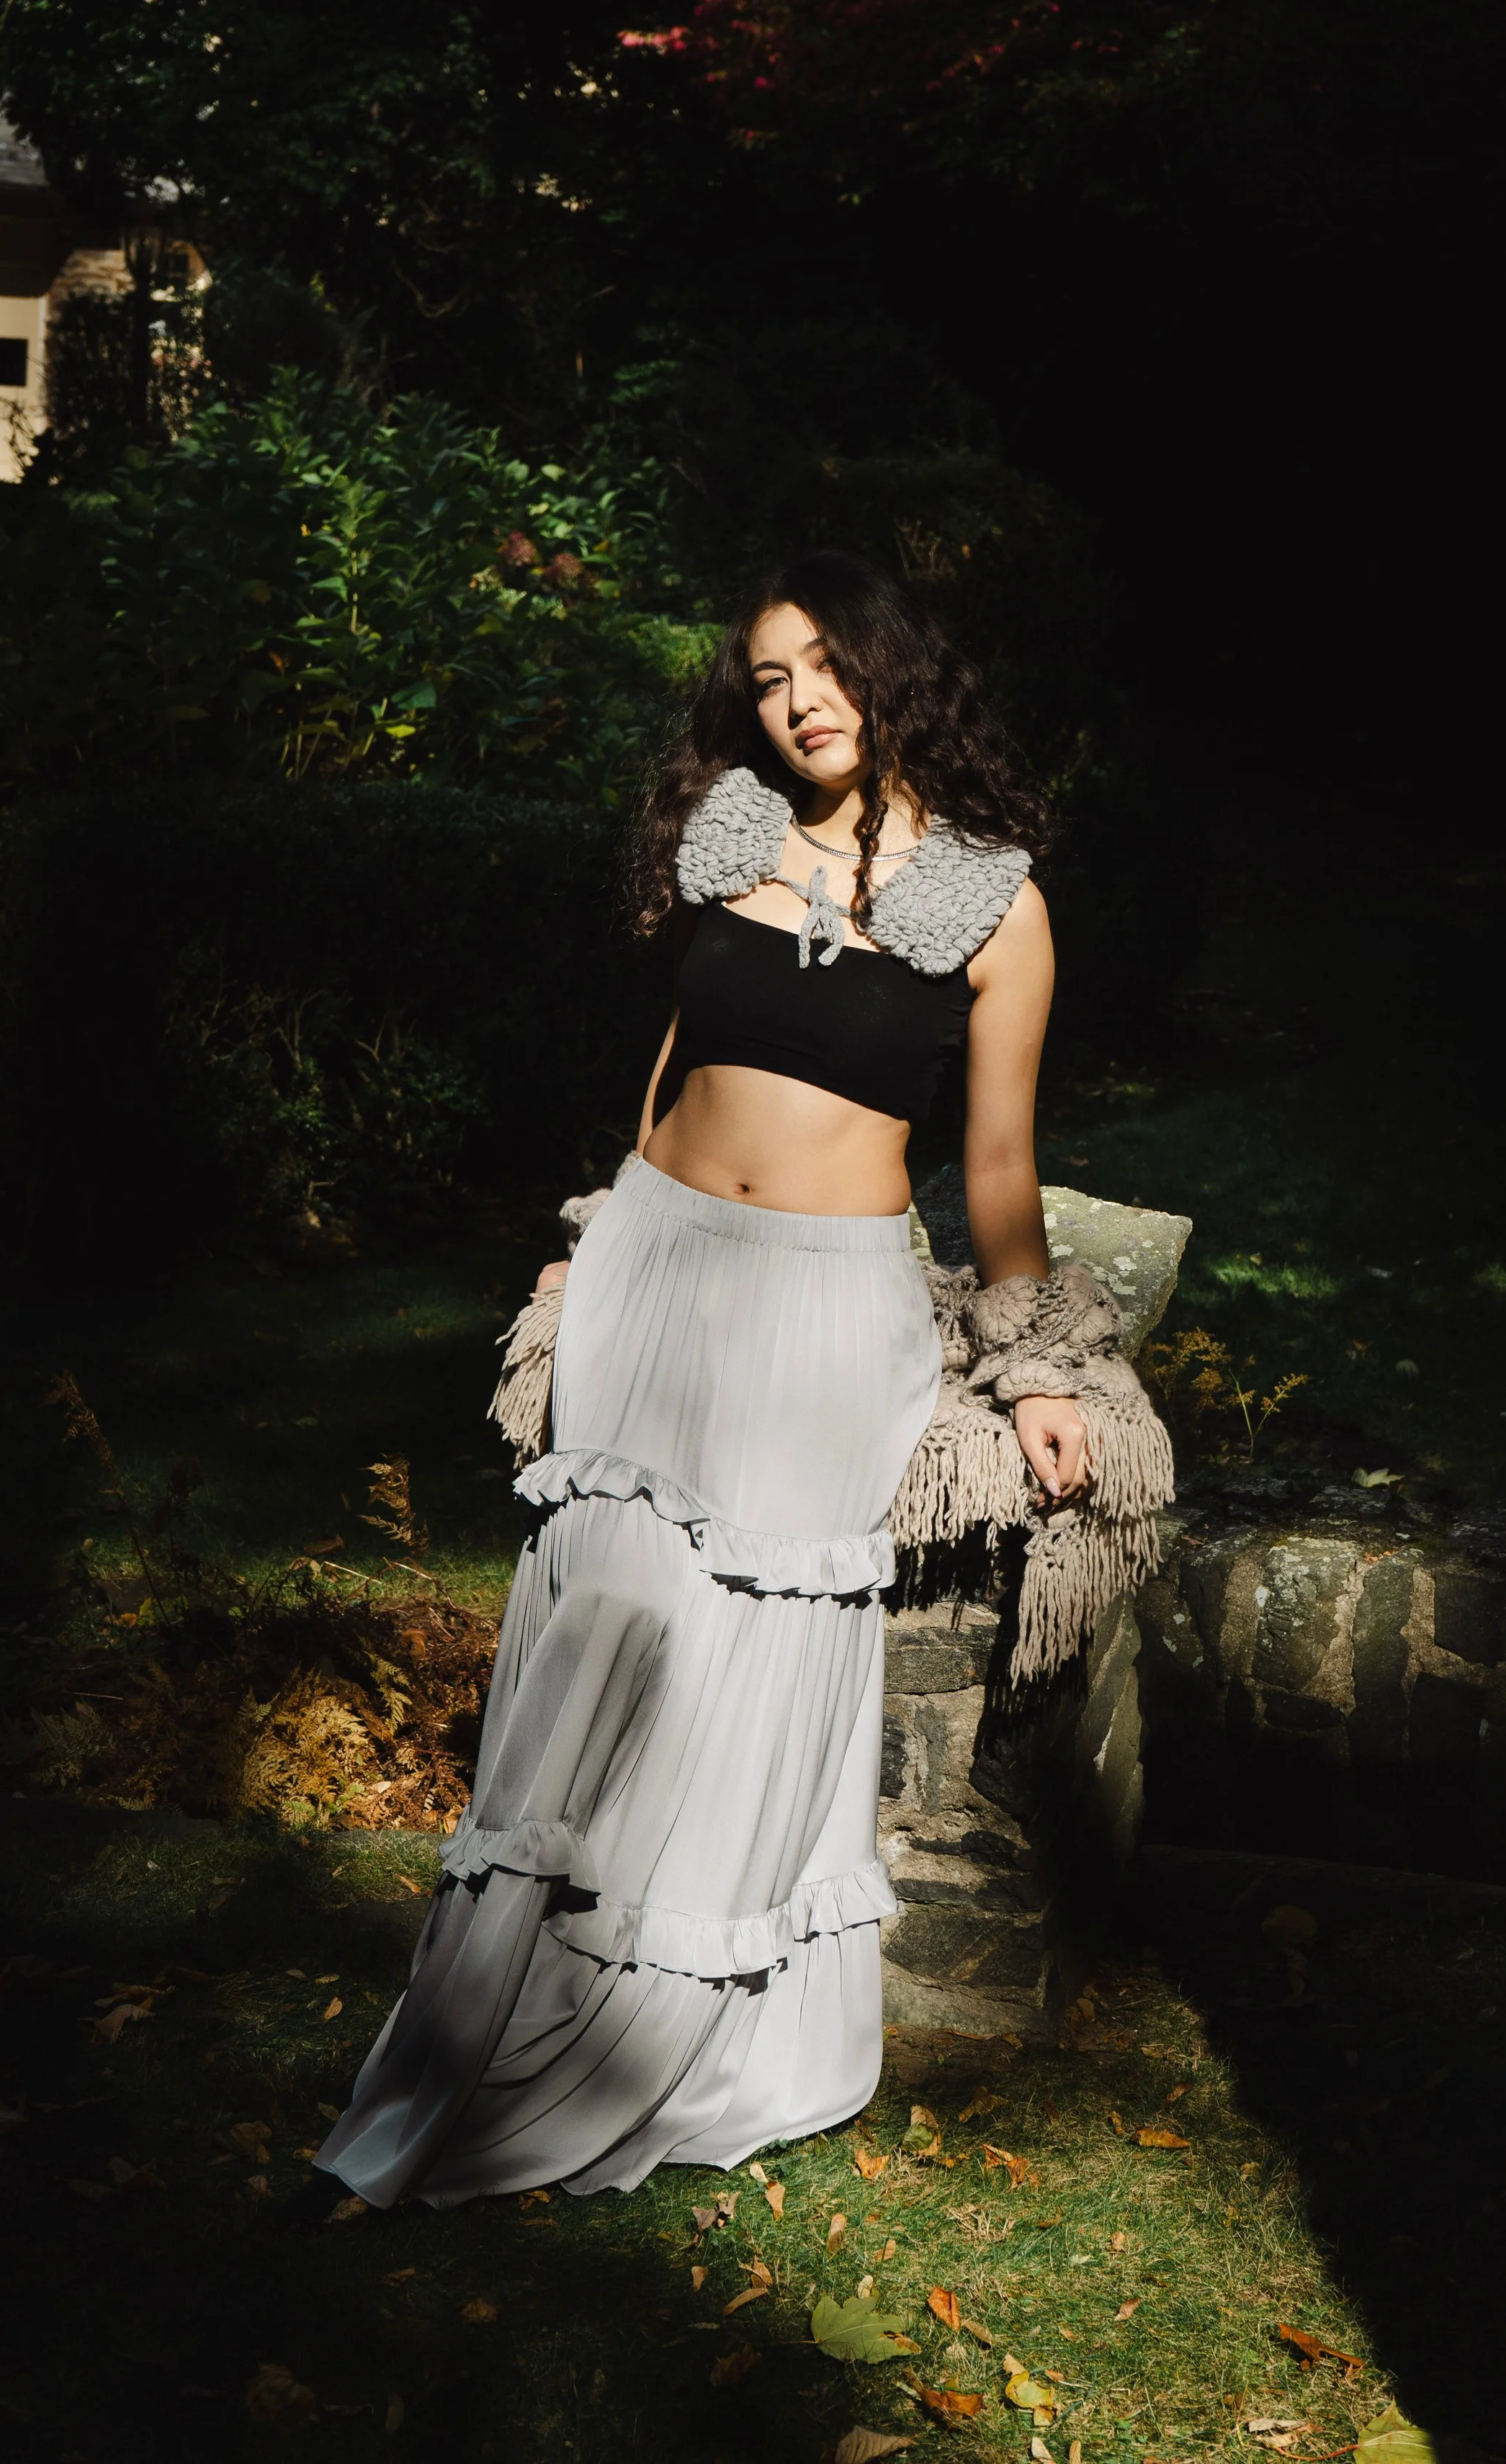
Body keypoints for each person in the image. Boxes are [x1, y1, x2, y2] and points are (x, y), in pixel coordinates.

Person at [315, 548, 1081, 2208]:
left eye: (827, 666)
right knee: (600, 1611)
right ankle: (482, 2023)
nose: (798, 702)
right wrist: (598, 1242)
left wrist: (1033, 1370)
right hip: (661, 1270)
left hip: (824, 1315)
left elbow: (996, 1171)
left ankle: (674, 2034)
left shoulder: (992, 901)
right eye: (768, 678)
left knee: (738, 1654)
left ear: (893, 671)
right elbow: (674, 1067)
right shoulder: (728, 834)